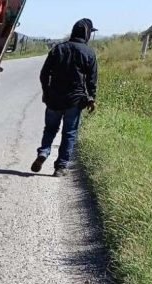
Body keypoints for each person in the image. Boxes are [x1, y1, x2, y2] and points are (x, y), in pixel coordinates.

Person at [33, 18, 99, 177]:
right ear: (87, 33)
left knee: (50, 129)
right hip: (75, 101)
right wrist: (91, 98)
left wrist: (46, 92)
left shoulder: (58, 49)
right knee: (69, 133)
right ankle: (61, 167)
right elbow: (92, 80)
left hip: (54, 98)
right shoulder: (89, 53)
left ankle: (43, 152)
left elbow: (44, 74)